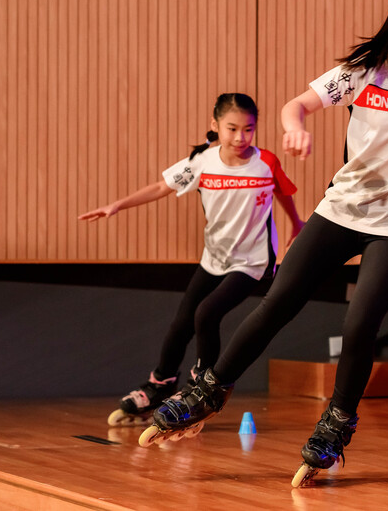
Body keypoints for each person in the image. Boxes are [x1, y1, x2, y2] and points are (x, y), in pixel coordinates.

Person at [145, 0, 388, 483]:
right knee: (276, 304)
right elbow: (295, 105)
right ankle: (207, 393)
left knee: (359, 326)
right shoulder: (366, 71)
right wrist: (294, 127)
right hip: (341, 210)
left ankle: (335, 428)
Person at [79, 93, 304, 425]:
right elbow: (160, 187)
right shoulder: (203, 162)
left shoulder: (266, 162)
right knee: (181, 324)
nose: (240, 138)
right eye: (232, 129)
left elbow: (281, 191)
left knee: (207, 312)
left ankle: (203, 388)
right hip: (213, 259)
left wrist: (296, 222)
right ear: (215, 126)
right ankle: (159, 385)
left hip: (252, 262)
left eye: (248, 129)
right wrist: (117, 205)